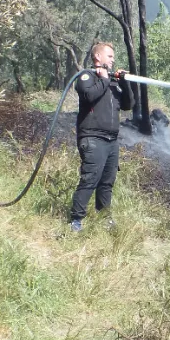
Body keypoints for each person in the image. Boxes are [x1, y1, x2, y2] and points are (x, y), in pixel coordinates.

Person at [70, 41, 133, 232]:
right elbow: (89, 96)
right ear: (98, 57)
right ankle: (76, 221)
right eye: (110, 56)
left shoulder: (113, 82)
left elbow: (128, 104)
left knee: (107, 182)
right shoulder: (87, 76)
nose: (113, 60)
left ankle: (104, 218)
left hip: (112, 141)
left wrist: (124, 82)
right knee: (90, 179)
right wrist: (104, 80)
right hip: (93, 138)